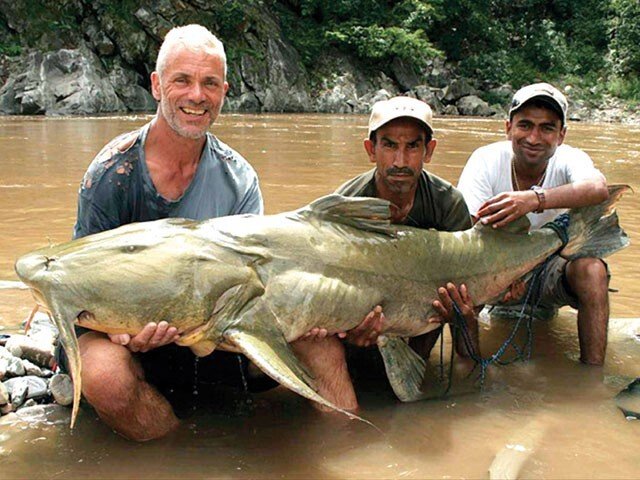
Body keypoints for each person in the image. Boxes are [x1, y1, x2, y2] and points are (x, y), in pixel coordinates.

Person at [67, 24, 349, 441]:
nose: (197, 95)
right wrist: (123, 331)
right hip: (125, 332)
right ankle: (177, 454)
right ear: (158, 86)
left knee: (320, 345)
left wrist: (311, 311)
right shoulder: (113, 173)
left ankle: (356, 445)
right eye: (182, 80)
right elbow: (78, 288)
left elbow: (255, 283)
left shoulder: (239, 179)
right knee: (104, 374)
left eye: (209, 83)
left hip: (214, 329)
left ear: (223, 92)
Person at [314, 96, 478, 379]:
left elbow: (472, 275)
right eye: (389, 145)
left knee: (463, 324)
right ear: (371, 149)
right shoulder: (346, 204)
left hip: (427, 308)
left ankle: (419, 367)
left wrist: (466, 314)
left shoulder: (448, 204)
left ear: (429, 150)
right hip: (367, 309)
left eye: (412, 146)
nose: (400, 161)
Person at [457, 82, 610, 366]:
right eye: (525, 125)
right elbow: (469, 234)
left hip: (550, 266)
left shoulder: (570, 159)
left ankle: (592, 377)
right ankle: (468, 372)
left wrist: (534, 199)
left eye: (547, 128)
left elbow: (598, 188)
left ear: (561, 135)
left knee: (592, 270)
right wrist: (504, 277)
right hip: (493, 265)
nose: (534, 138)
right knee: (461, 284)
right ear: (508, 128)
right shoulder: (485, 160)